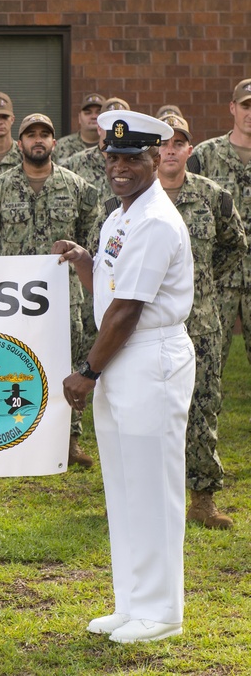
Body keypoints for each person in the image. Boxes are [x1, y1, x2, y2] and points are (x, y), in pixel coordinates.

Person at [56, 110, 194, 644]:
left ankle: (161, 612)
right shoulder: (121, 214)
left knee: (153, 489)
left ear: (156, 158)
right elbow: (111, 293)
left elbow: (127, 312)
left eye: (131, 158)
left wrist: (87, 372)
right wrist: (84, 260)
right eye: (111, 157)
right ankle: (132, 602)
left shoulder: (156, 219)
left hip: (147, 357)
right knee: (124, 485)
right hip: (122, 358)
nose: (119, 166)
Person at [0, 113, 102, 469]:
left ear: (54, 143)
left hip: (66, 295)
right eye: (30, 135)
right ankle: (15, 433)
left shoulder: (80, 189)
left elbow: (90, 237)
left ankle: (69, 440)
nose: (37, 140)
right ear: (19, 144)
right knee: (13, 362)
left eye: (44, 135)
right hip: (13, 297)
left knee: (69, 362)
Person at [157, 113, 246, 528]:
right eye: (163, 143)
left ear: (189, 150)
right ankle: (150, 495)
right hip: (148, 326)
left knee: (203, 407)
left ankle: (202, 498)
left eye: (179, 142)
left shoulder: (214, 197)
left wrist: (201, 283)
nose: (170, 150)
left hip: (202, 324)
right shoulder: (132, 199)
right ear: (151, 149)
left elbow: (233, 245)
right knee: (149, 407)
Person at [190, 78, 251, 370]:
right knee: (208, 366)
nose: (250, 112)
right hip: (218, 278)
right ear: (233, 108)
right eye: (245, 106)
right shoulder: (205, 155)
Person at [52, 92, 105, 164]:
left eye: (99, 113)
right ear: (79, 117)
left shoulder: (112, 147)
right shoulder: (61, 146)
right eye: (88, 113)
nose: (94, 117)